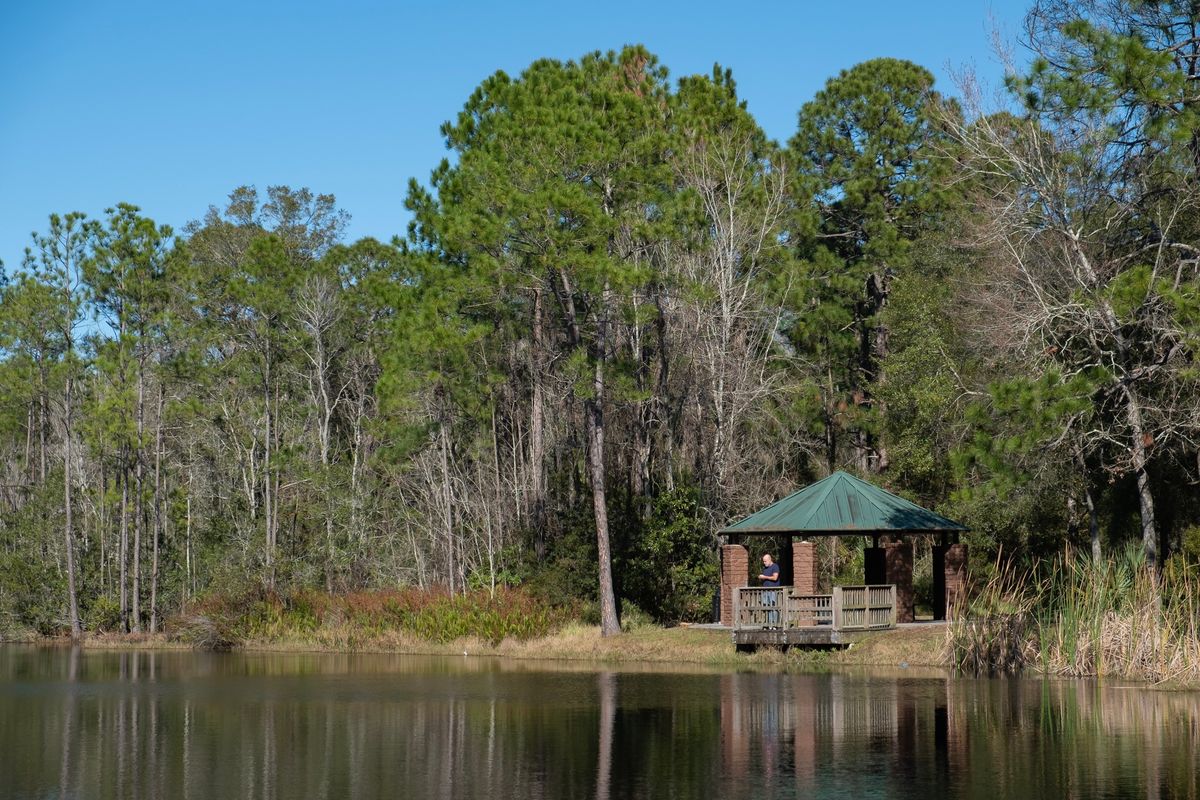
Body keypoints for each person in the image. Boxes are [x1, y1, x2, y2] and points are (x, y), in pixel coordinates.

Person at [758, 553, 781, 626]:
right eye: (763, 561)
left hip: (773, 591)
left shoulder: (775, 567)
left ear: (769, 560)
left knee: (773, 607)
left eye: (765, 561)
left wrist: (764, 577)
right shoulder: (765, 568)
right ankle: (769, 623)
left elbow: (775, 578)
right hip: (765, 590)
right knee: (767, 607)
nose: (764, 563)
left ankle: (774, 624)